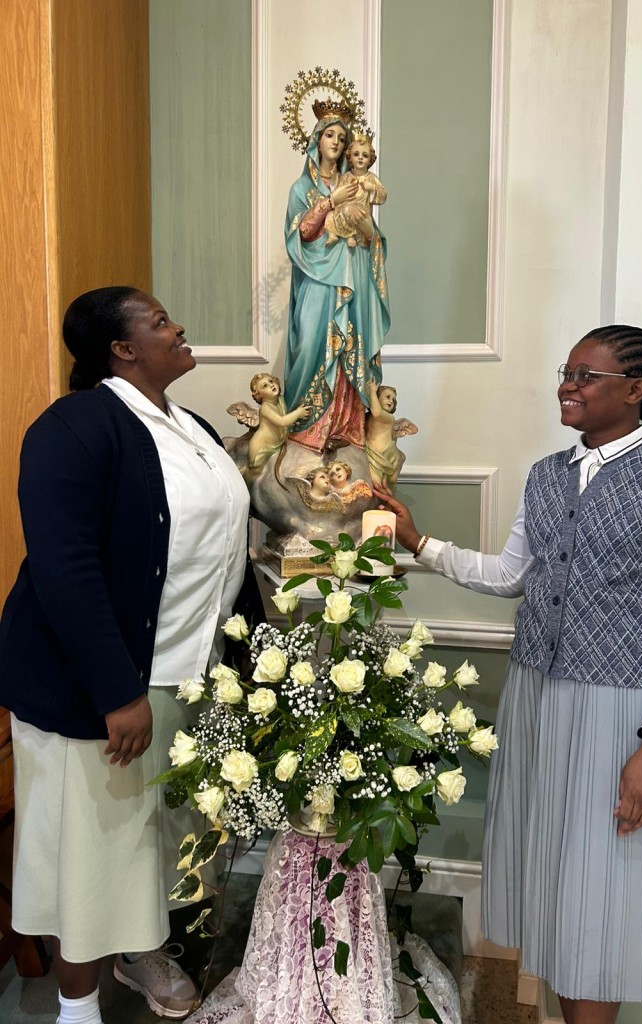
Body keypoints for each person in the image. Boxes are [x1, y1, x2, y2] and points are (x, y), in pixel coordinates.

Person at [374, 325, 642, 1024]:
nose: (568, 384)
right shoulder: (546, 474)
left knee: (604, 894)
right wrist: (420, 543)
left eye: (588, 376)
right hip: (537, 700)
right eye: (567, 370)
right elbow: (513, 576)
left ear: (636, 390)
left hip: (621, 710)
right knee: (560, 890)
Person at [0, 287, 262, 1024]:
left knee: (163, 837)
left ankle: (140, 948)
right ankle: (76, 1004)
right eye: (158, 321)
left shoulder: (192, 426)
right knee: (91, 848)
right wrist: (117, 691)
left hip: (192, 668)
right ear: (121, 348)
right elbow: (65, 565)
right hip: (101, 685)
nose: (177, 326)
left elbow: (225, 538)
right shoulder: (74, 426)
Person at [283, 114, 390, 454]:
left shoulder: (355, 181)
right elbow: (301, 233)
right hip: (318, 277)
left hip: (353, 273)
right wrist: (332, 200)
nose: (336, 143)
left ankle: (344, 427)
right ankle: (309, 427)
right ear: (317, 139)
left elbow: (372, 233)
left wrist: (367, 229)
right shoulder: (302, 189)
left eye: (342, 139)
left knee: (351, 344)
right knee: (313, 341)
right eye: (330, 135)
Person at [324, 133, 388, 248]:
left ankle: (353, 236)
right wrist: (333, 176)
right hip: (345, 214)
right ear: (350, 158)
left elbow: (383, 196)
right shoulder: (346, 177)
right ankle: (334, 235)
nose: (360, 158)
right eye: (356, 154)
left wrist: (372, 188)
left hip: (362, 216)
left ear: (370, 160)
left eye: (365, 155)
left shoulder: (371, 178)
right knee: (329, 215)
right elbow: (336, 190)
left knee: (354, 213)